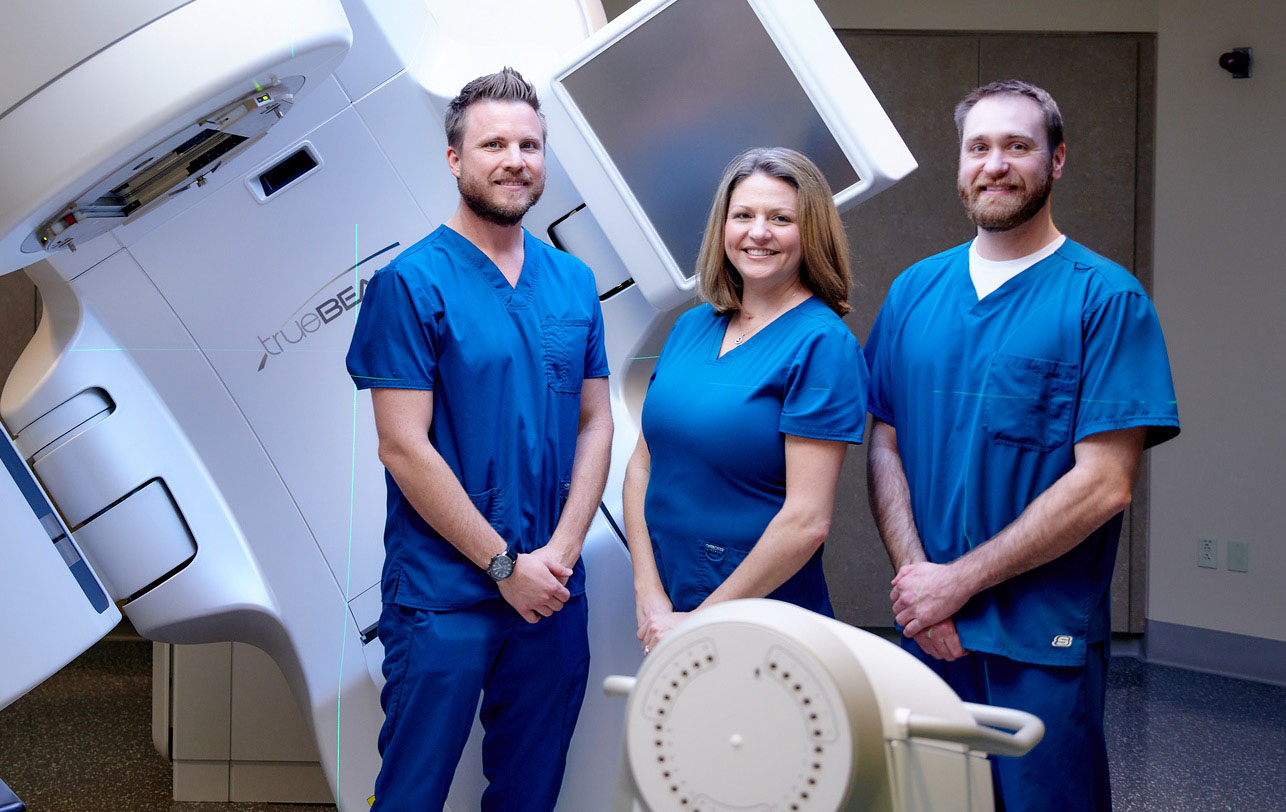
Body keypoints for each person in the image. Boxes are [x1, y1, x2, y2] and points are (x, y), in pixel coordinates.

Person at [863, 79, 1179, 811]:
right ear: (961, 162)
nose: (995, 163)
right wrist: (921, 587)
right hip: (930, 635)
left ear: (1057, 160)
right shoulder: (915, 290)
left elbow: (1105, 484)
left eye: (1018, 146)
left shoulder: (1105, 298)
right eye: (980, 147)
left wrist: (959, 583)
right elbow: (886, 440)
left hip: (1039, 645)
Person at [345, 68, 612, 812]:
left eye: (530, 144)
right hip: (446, 593)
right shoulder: (410, 283)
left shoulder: (573, 282)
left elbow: (596, 422)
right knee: (411, 794)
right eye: (494, 142)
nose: (516, 158)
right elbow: (402, 446)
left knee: (530, 795)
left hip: (553, 591)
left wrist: (557, 554)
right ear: (456, 159)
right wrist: (502, 564)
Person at [624, 147, 867, 655]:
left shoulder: (822, 344)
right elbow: (642, 467)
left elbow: (806, 521)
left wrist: (700, 621)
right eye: (744, 216)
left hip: (762, 622)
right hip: (668, 612)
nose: (759, 232)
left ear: (812, 232)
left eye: (781, 218)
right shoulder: (691, 327)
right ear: (724, 227)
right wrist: (648, 593)